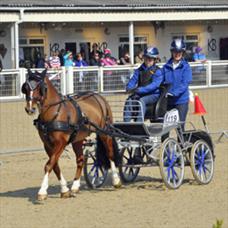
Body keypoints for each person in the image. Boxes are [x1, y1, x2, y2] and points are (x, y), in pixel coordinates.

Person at [123, 46, 163, 122]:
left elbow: (153, 86)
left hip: (154, 95)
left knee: (142, 101)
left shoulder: (158, 71)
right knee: (129, 100)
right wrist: (129, 88)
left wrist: (139, 90)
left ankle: (139, 124)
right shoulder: (139, 70)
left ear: (154, 60)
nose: (148, 60)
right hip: (141, 93)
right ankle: (126, 124)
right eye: (146, 58)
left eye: (150, 59)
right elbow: (133, 80)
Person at [162, 39, 192, 131]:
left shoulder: (186, 67)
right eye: (175, 51)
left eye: (179, 52)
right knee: (165, 128)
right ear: (172, 52)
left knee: (180, 127)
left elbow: (185, 83)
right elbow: (160, 81)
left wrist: (173, 93)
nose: (177, 54)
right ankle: (165, 145)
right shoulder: (165, 67)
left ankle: (182, 145)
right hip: (168, 102)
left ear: (182, 53)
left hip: (181, 101)